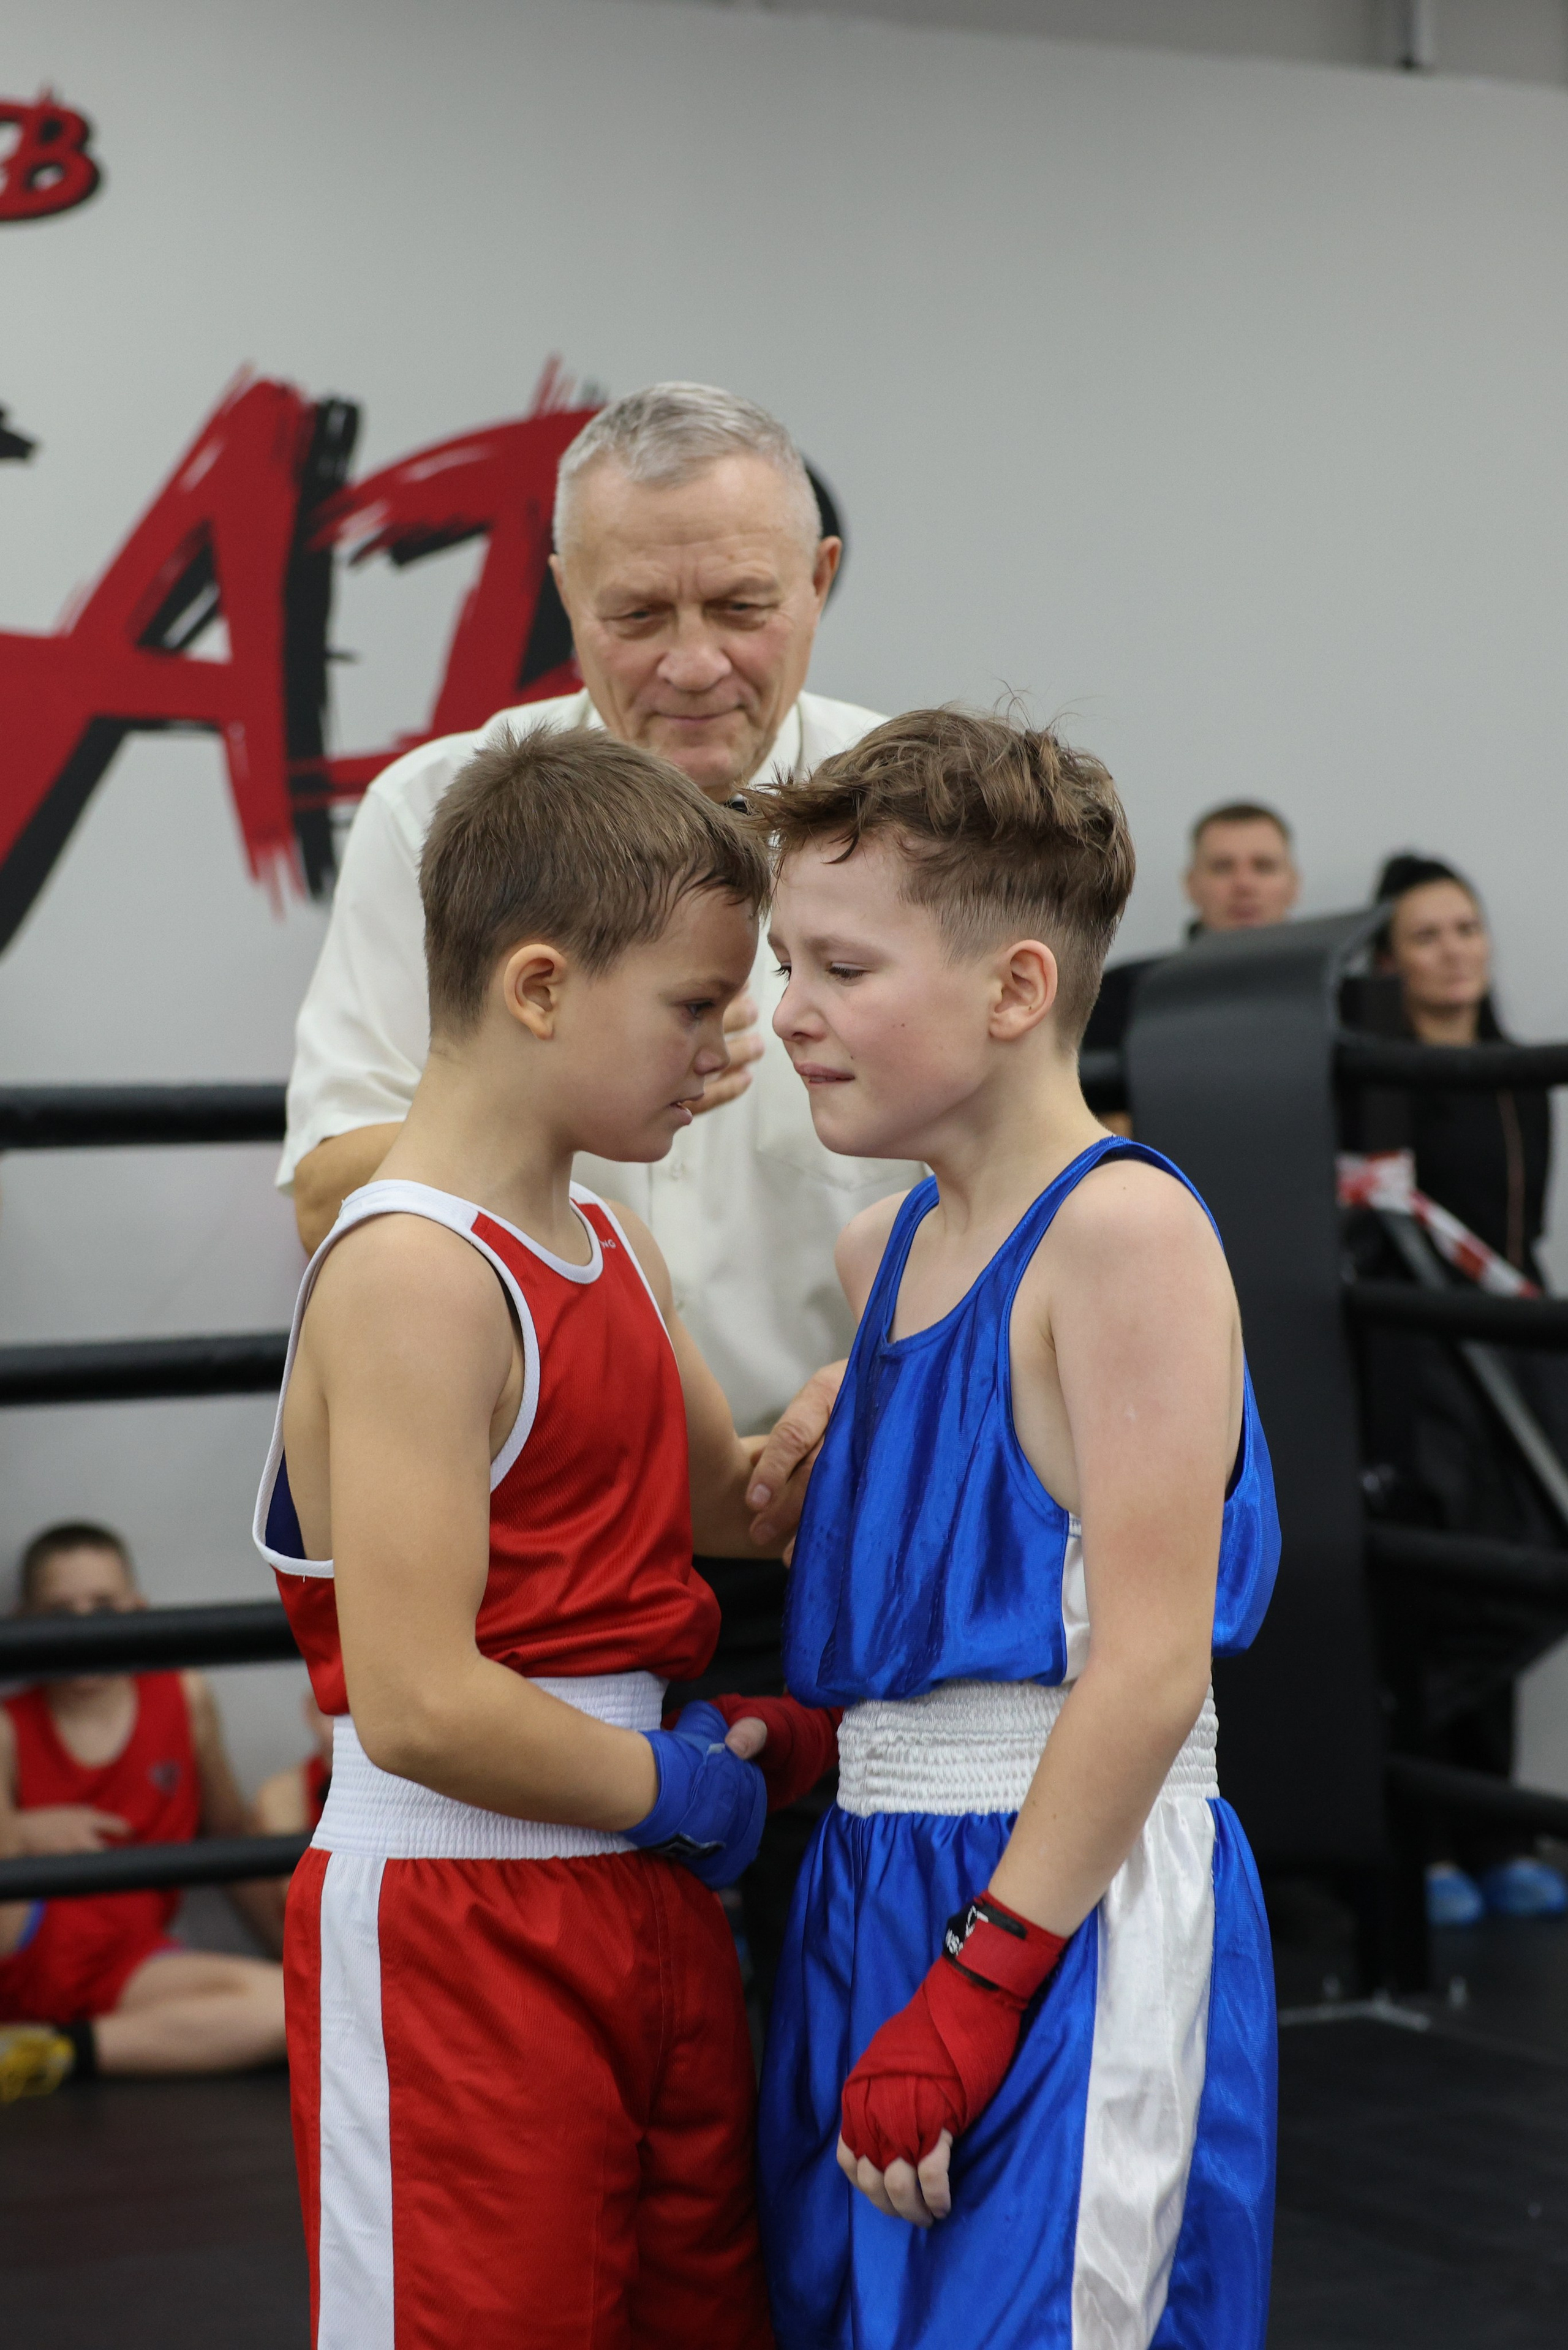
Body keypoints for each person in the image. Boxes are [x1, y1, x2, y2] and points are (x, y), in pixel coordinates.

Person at [279, 381, 918, 1997]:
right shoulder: (452, 813)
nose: (695, 658)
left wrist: (928, 1354)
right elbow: (334, 1188)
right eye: (638, 611)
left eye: (744, 604)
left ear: (822, 585)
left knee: (810, 2075)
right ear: (565, 593)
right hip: (547, 1525)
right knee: (562, 2074)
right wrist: (554, 1088)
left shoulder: (921, 812)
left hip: (831, 1495)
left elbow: (1023, 1151)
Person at [255, 726, 836, 2346]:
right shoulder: (415, 1273)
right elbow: (423, 1695)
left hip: (641, 1899)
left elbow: (729, 1505)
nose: (725, 1047)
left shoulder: (611, 1241)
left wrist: (893, 1382)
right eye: (693, 1005)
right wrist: (679, 1782)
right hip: (463, 1904)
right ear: (535, 988)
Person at [752, 710, 1281, 2349]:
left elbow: (1147, 1667)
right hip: (870, 1889)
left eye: (840, 967)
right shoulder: (882, 1252)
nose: (789, 1013)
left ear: (1016, 987)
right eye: (785, 962)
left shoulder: (1125, 1232)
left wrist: (984, 1979)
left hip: (1067, 1906)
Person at [1351, 853, 1567, 1927]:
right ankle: (1427, 1847)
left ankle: (1501, 1835)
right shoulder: (1373, 1071)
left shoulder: (1520, 1070)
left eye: (1468, 929)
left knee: (1518, 1569)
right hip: (1415, 1364)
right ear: (1392, 961)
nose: (1456, 951)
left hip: (1513, 1345)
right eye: (1430, 935)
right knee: (1429, 1582)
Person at [0, 1523, 287, 2104]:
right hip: (27, 1942)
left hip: (129, 1957)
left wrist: (299, 1950)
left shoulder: (182, 1696)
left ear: (138, 1610)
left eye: (103, 1606)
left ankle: (53, 2049)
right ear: (26, 1623)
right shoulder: (7, 1725)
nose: (85, 1626)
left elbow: (230, 1838)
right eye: (62, 1610)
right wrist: (22, 1831)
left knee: (298, 2002)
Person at [1084, 798, 1300, 1056]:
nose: (1244, 885)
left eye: (1263, 867)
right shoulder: (1126, 993)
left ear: (1293, 884)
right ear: (1191, 884)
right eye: (1222, 868)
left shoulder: (1344, 995)